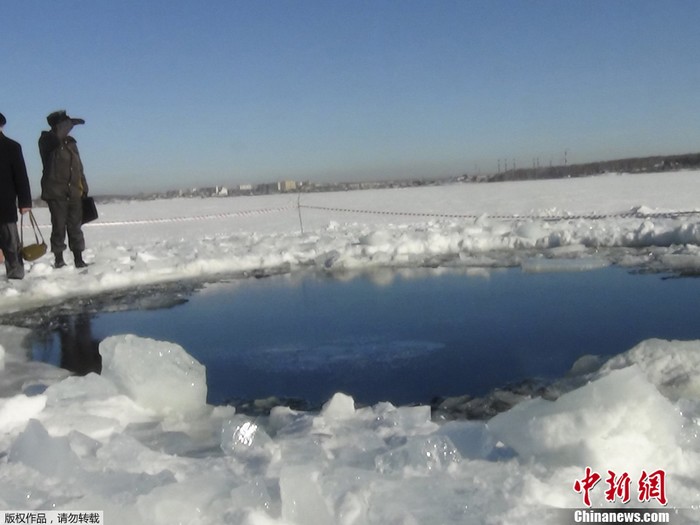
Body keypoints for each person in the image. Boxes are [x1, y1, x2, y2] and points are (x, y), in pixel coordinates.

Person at [39, 110, 89, 268]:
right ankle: (59, 259)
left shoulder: (71, 142)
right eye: (65, 124)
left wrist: (84, 188)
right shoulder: (47, 140)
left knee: (75, 226)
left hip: (74, 191)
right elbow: (57, 136)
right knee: (59, 226)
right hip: (56, 192)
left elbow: (78, 168)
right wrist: (70, 123)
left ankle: (78, 258)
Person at [0, 112, 33, 280]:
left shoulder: (11, 147)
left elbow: (21, 176)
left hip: (4, 205)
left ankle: (15, 277)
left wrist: (25, 201)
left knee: (11, 245)